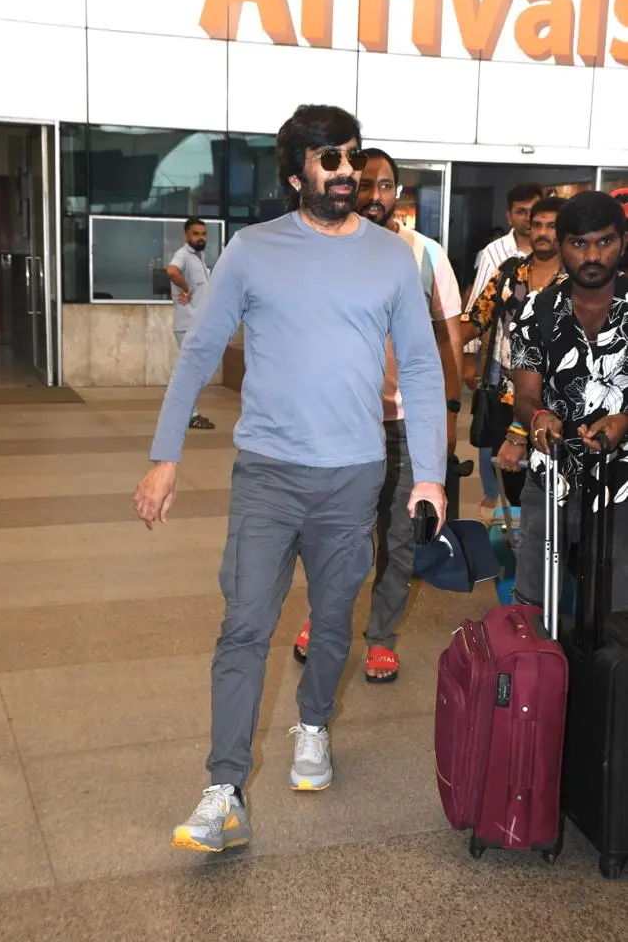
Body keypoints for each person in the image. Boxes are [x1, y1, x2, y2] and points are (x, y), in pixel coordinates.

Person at [133, 104, 447, 853]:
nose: (346, 174)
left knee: (333, 620)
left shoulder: (389, 257)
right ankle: (223, 787)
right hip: (268, 474)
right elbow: (200, 350)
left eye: (351, 160)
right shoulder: (250, 250)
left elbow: (425, 370)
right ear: (295, 172)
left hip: (353, 474)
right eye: (329, 160)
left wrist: (429, 475)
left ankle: (312, 726)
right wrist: (163, 454)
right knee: (243, 624)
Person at [292, 147, 462, 683]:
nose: (374, 196)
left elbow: (449, 342)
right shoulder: (319, 250)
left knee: (400, 537)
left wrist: (448, 415)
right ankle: (323, 618)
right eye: (365, 184)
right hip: (340, 422)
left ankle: (381, 636)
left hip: (409, 424)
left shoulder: (425, 254)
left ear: (398, 194)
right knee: (338, 533)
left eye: (385, 186)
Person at [509, 190, 628, 611]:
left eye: (605, 241)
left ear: (623, 242)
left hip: (622, 487)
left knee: (616, 614)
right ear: (560, 246)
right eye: (579, 243)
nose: (593, 254)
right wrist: (538, 416)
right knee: (535, 608)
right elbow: (524, 394)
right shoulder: (535, 313)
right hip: (551, 479)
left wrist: (625, 420)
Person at [462, 197, 567, 506]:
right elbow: (477, 316)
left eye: (552, 226)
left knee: (548, 488)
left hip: (551, 402)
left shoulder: (573, 283)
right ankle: (522, 547)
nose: (543, 233)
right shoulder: (511, 272)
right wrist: (438, 339)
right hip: (504, 395)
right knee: (512, 483)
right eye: (537, 225)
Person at [168, 217, 215, 430]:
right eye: (196, 234)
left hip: (198, 324)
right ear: (187, 235)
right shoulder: (183, 255)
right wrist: (186, 287)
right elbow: (171, 271)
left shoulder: (199, 258)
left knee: (193, 372)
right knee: (192, 373)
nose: (200, 238)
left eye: (203, 234)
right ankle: (190, 414)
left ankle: (185, 413)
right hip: (188, 324)